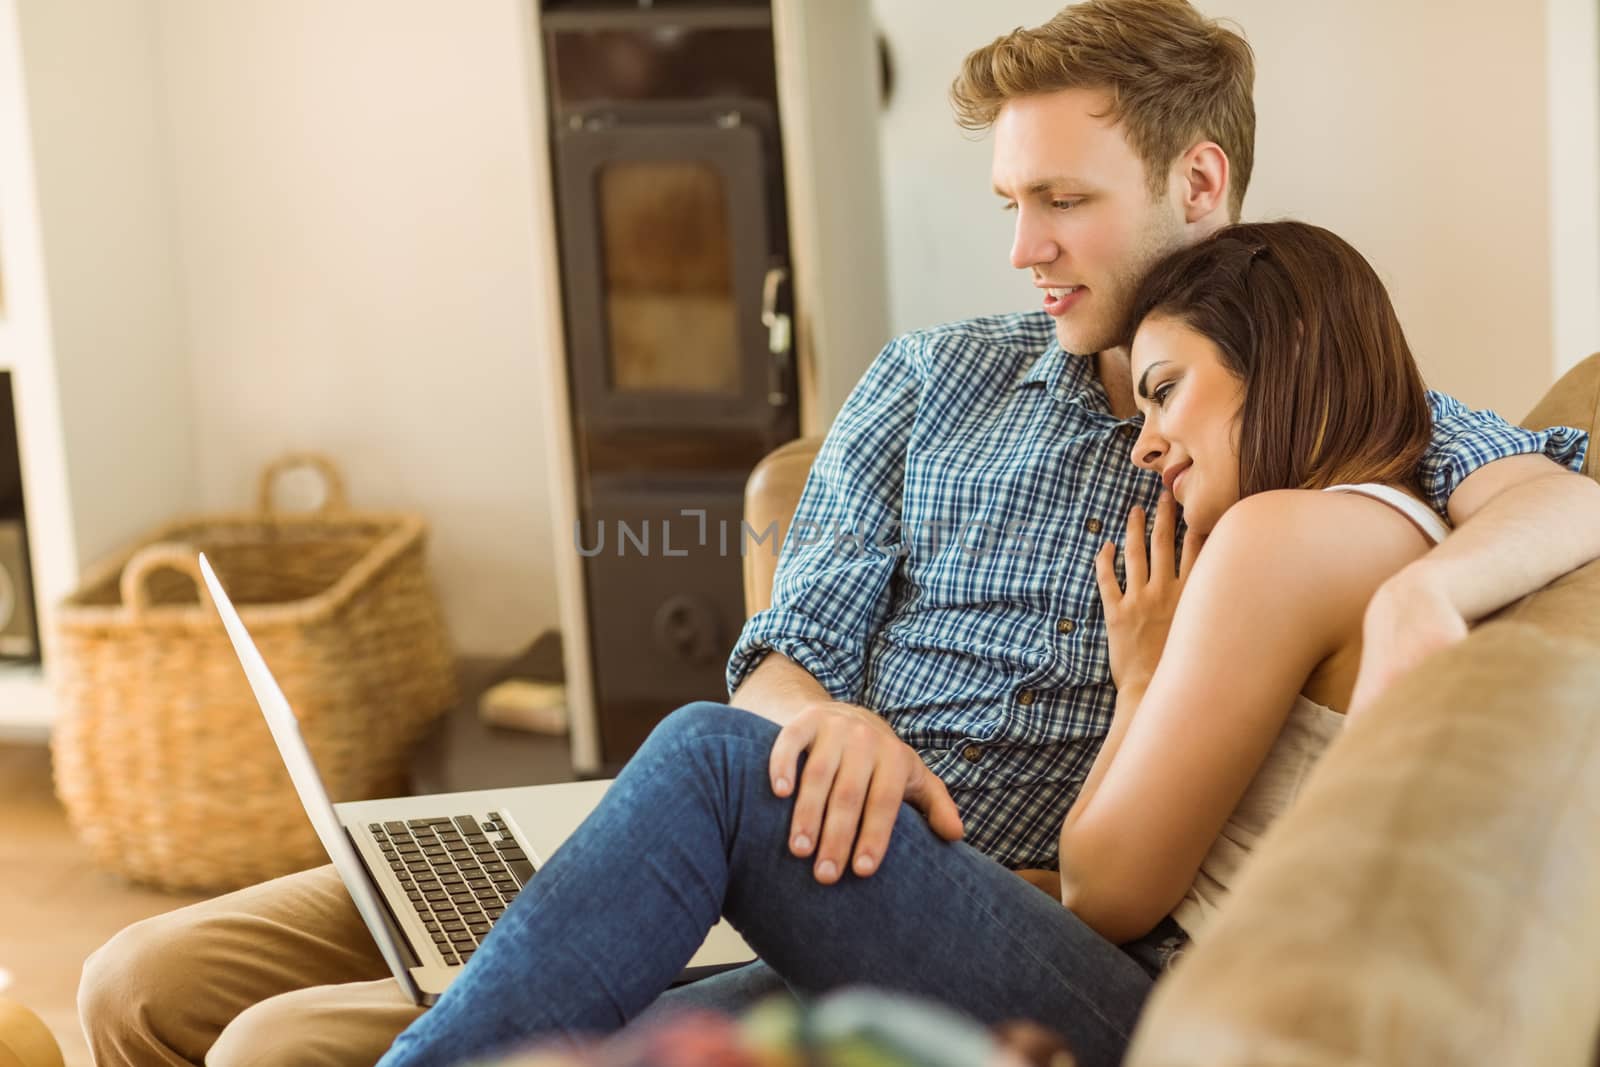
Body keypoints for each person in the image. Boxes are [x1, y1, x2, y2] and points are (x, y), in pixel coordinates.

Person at [78, 3, 1599, 1065]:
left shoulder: (1301, 427)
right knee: (140, 974)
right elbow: (780, 654)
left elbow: (1558, 488)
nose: (1024, 249)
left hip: (946, 891)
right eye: (1009, 200)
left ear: (1199, 184)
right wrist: (823, 725)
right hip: (777, 797)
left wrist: (1432, 595)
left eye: (1063, 200)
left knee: (285, 1043)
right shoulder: (929, 376)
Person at [371, 218, 1584, 1067]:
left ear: (1277, 360)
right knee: (648, 1034)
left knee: (716, 761)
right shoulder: (1402, 520)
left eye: (1165, 389)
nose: (1144, 440)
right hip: (1147, 982)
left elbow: (1107, 889)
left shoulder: (1280, 535)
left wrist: (1141, 681)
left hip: (1150, 1013)